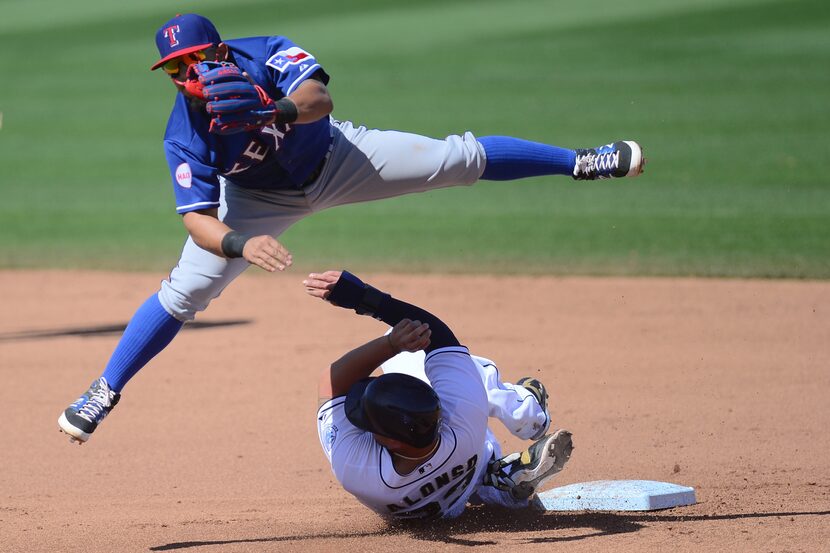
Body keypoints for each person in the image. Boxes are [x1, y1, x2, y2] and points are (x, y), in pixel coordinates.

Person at [58, 12, 645, 444]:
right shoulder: (183, 132)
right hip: (258, 200)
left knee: (457, 159)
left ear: (219, 51)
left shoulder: (265, 53)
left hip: (340, 158)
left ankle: (579, 160)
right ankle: (104, 389)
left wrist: (272, 109)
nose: (188, 75)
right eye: (174, 70)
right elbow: (197, 220)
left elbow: (318, 98)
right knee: (186, 290)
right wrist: (241, 242)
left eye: (195, 60)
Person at [305, 270, 573, 519]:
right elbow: (435, 334)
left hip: (441, 510)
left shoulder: (354, 469)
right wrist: (365, 300)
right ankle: (527, 416)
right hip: (471, 460)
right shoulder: (465, 422)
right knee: (458, 368)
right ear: (439, 412)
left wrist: (388, 344)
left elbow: (331, 384)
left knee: (455, 386)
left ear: (391, 442)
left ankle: (496, 482)